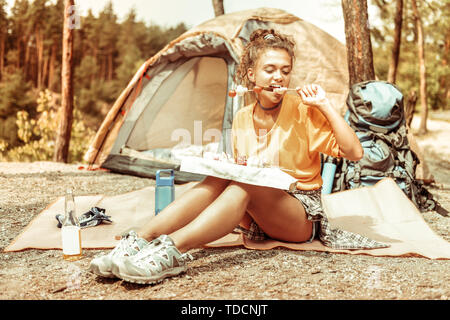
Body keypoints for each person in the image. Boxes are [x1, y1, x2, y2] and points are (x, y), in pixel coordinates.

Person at [88, 29, 386, 285]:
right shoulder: (243, 117)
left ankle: (172, 251)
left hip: (298, 215)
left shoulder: (304, 110)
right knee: (224, 176)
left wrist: (325, 105)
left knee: (246, 186)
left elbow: (354, 152)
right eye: (269, 70)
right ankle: (141, 239)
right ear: (251, 75)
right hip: (255, 215)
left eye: (285, 70)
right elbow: (248, 166)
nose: (278, 77)